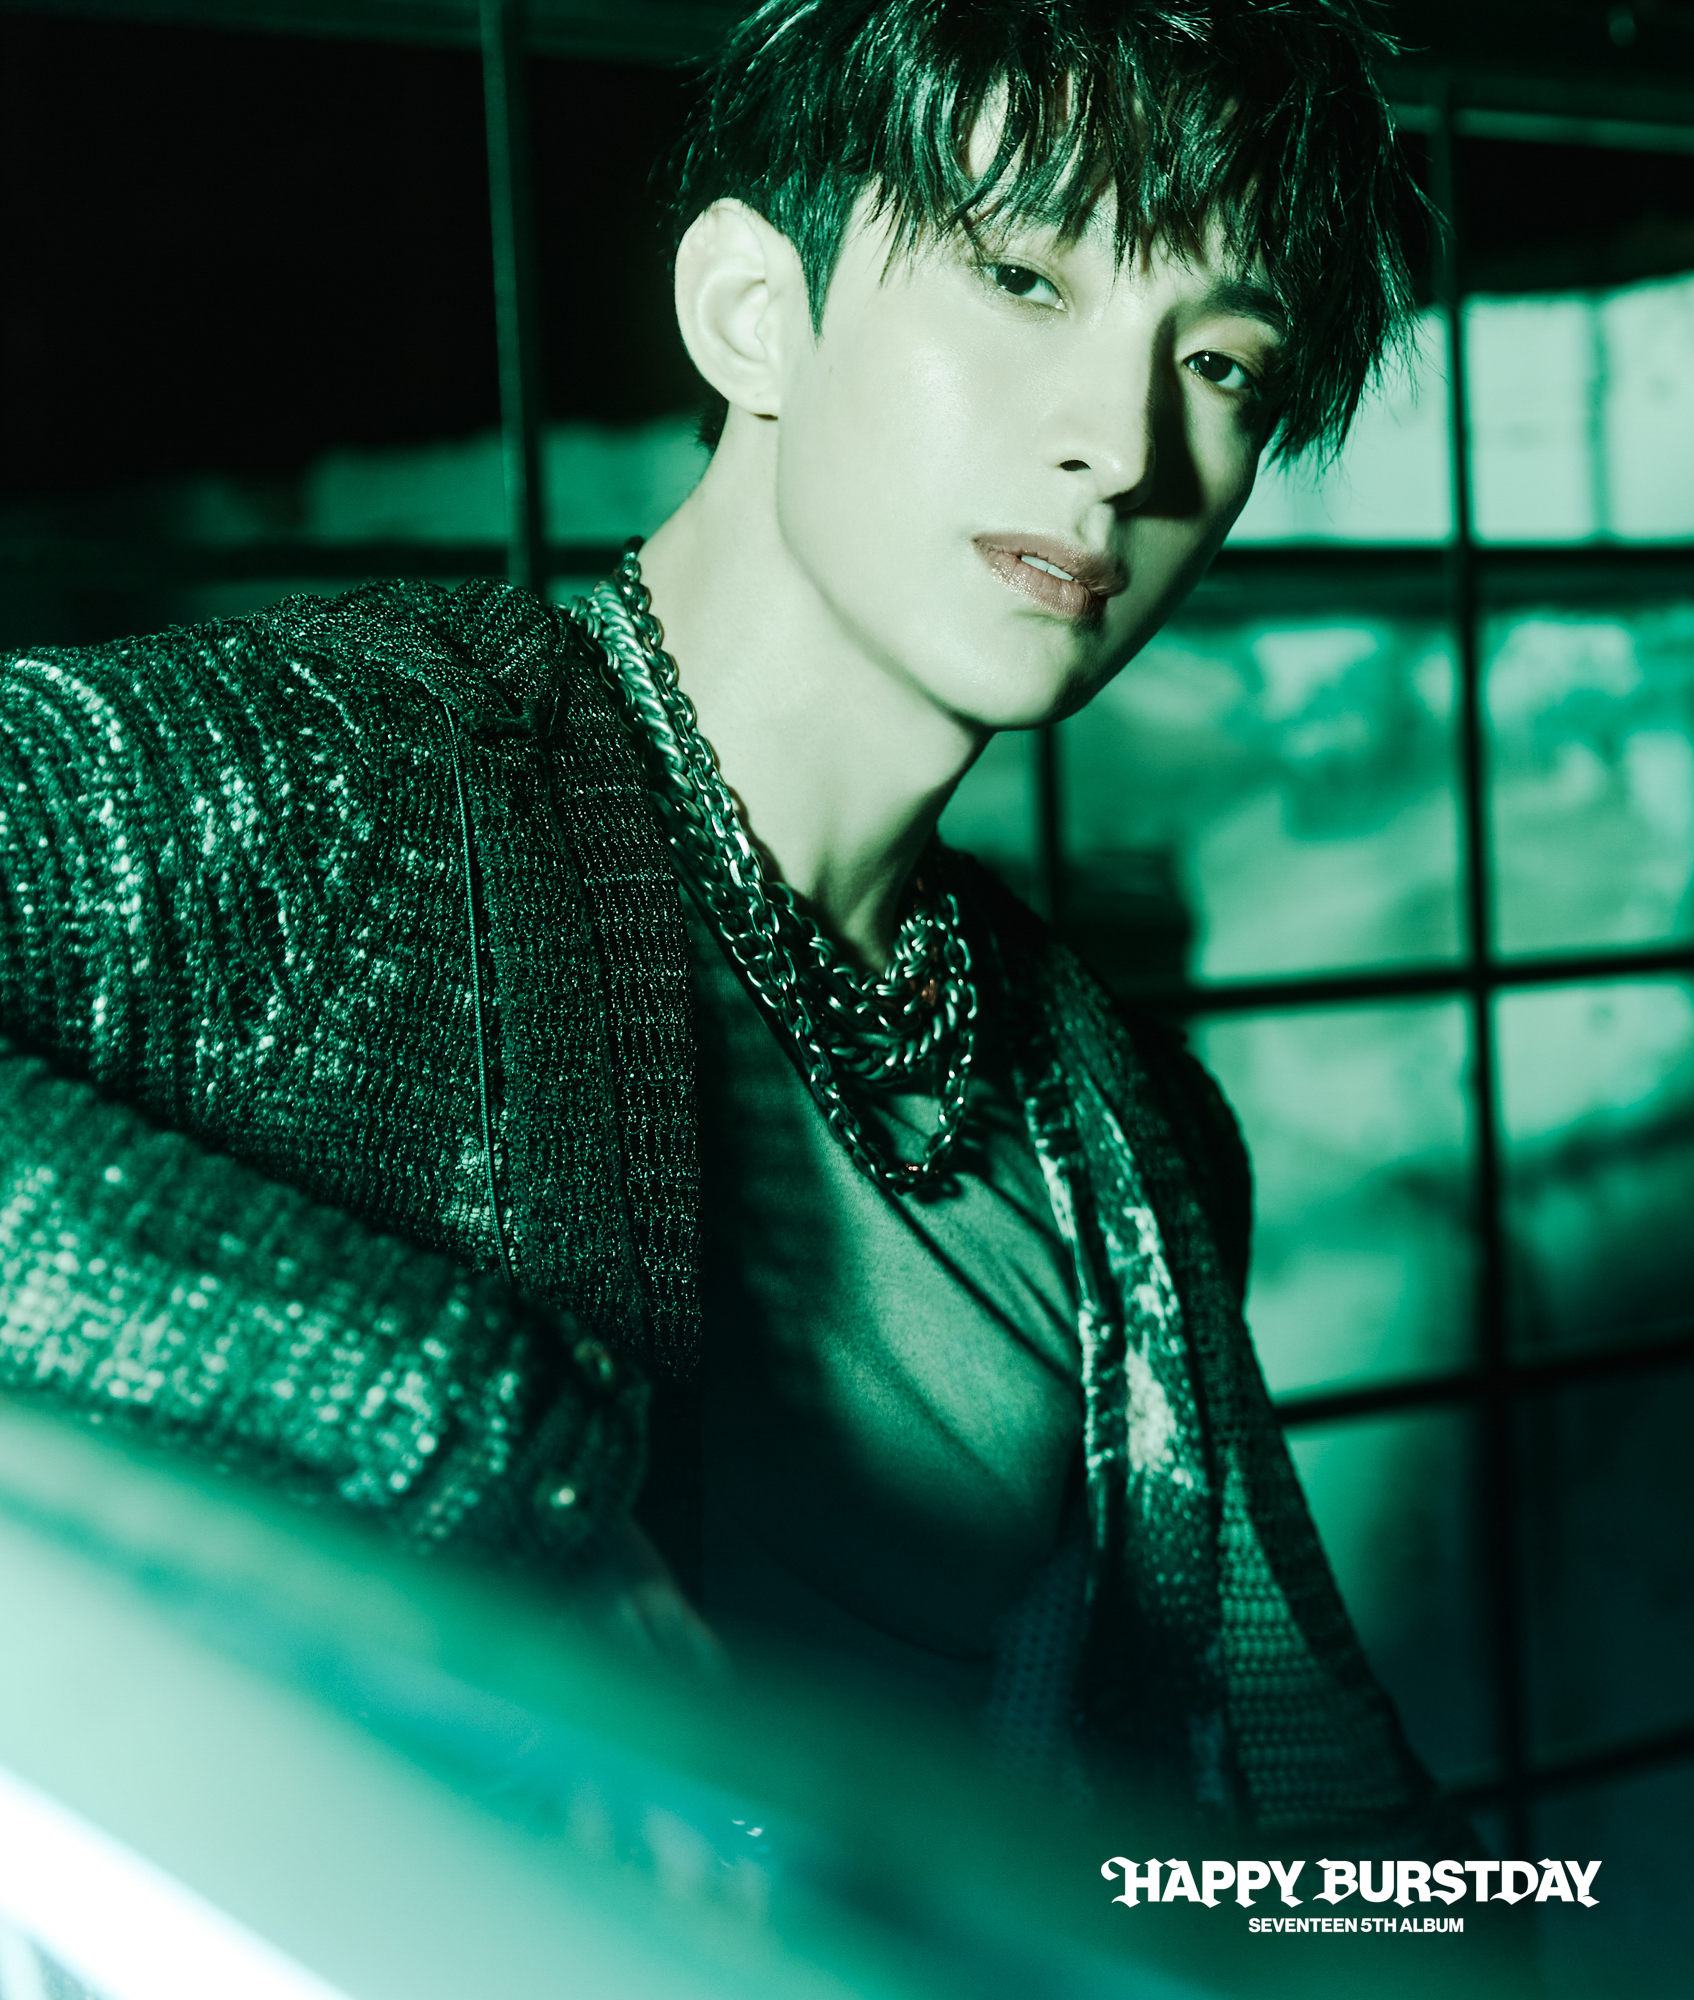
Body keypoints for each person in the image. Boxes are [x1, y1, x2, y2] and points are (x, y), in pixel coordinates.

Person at [0, 0, 1448, 1853]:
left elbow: (1243, 1814)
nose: (1122, 447)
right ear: (752, 310)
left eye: (1224, 361)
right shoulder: (356, 792)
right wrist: (469, 1451)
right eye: (1024, 277)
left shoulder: (1137, 1143)